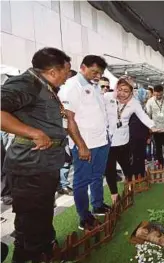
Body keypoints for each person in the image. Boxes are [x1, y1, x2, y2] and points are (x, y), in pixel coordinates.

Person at [1, 47, 71, 262]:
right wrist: (32, 132)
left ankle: (44, 251)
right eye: (66, 72)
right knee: (30, 224)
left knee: (41, 217)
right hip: (30, 166)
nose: (67, 77)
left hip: (44, 164)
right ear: (52, 71)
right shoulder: (26, 84)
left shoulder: (45, 87)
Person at [59, 55, 111, 231]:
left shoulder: (93, 85)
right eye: (94, 71)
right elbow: (69, 121)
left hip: (101, 141)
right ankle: (84, 216)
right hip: (85, 144)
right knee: (81, 181)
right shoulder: (72, 86)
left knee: (97, 176)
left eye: (100, 73)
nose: (97, 76)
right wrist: (81, 145)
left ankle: (98, 205)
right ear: (83, 67)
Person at [104, 77, 156, 203]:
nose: (122, 93)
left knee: (127, 167)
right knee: (109, 169)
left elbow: (142, 115)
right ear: (116, 88)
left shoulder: (134, 102)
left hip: (123, 141)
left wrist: (152, 126)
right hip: (107, 141)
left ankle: (130, 187)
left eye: (126, 91)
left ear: (131, 92)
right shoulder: (106, 97)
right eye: (120, 89)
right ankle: (114, 196)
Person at [57, 69, 77, 196]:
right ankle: (63, 185)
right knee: (66, 160)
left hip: (73, 132)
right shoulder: (61, 94)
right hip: (63, 133)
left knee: (69, 160)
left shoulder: (74, 94)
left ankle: (63, 184)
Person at [146, 85, 164, 166]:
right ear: (154, 93)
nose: (158, 96)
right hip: (157, 128)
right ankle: (161, 162)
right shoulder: (150, 101)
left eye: (160, 95)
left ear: (163, 92)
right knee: (158, 147)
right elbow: (148, 115)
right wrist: (149, 127)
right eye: (156, 95)